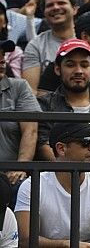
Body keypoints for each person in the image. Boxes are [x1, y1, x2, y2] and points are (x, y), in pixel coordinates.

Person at [15, 122, 90, 246]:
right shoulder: (32, 186)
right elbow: (25, 240)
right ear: (61, 148)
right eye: (86, 141)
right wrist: (64, 245)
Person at [21, 0, 80, 94]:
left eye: (61, 3)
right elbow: (30, 92)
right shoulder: (36, 45)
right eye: (50, 5)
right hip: (49, 108)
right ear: (44, 13)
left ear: (75, 9)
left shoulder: (87, 39)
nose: (56, 7)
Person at [0, 38, 38, 189]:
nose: (2, 60)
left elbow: (31, 129)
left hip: (8, 175)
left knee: (22, 186)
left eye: (2, 55)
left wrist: (19, 167)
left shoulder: (19, 87)